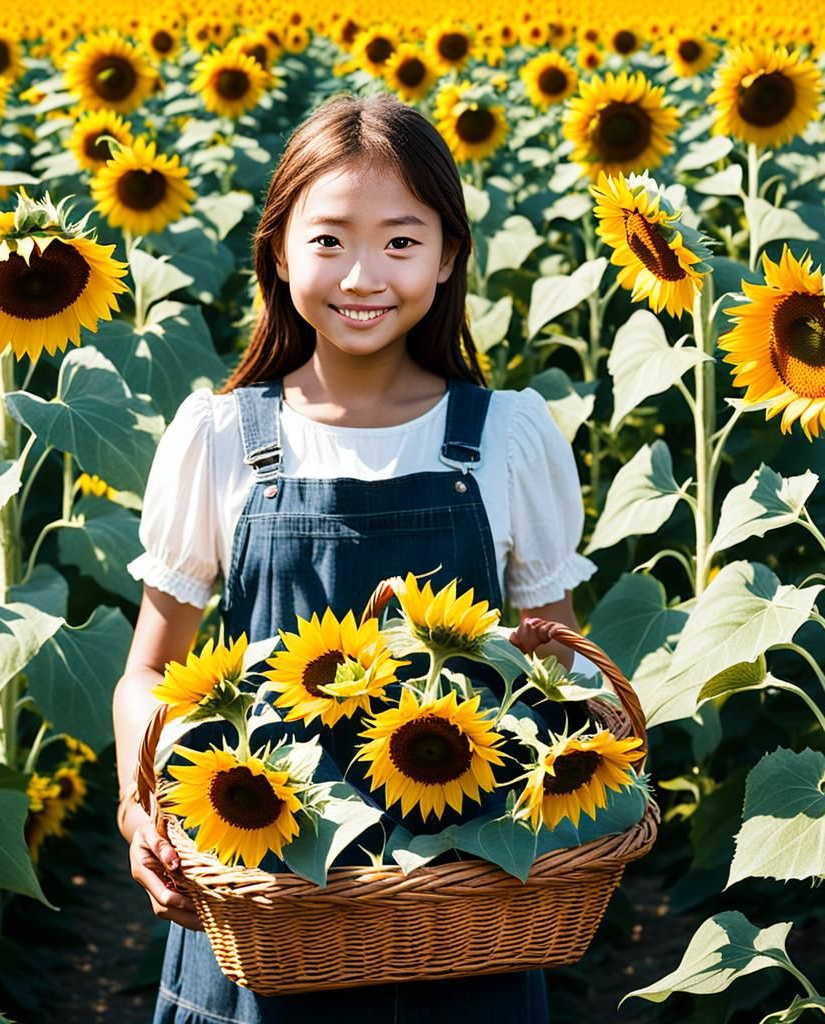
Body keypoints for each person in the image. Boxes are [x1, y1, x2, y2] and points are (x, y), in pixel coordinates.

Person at [113, 91, 599, 1024]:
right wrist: (144, 809)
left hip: (464, 898)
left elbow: (558, 657)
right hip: (261, 887)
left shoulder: (505, 437)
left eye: (402, 241)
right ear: (280, 249)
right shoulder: (222, 437)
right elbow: (151, 668)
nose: (363, 274)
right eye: (329, 239)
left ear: (450, 253)